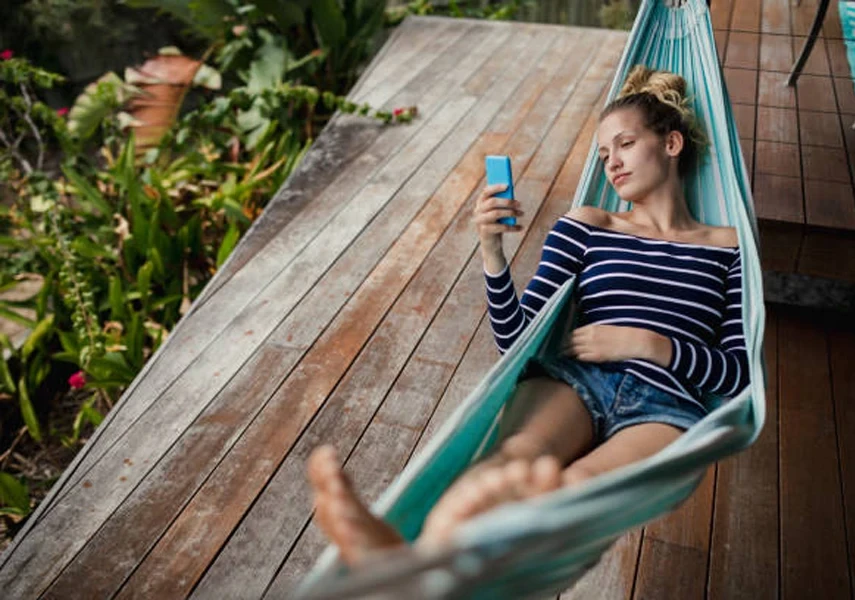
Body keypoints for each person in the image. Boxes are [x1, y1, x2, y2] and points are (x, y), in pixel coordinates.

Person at [306, 65, 749, 566]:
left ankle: (424, 567)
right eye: (604, 155)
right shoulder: (588, 224)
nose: (612, 164)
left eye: (624, 144)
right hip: (578, 380)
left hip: (666, 407)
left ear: (671, 144)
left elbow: (737, 374)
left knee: (575, 488)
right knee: (513, 462)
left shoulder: (729, 247)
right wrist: (492, 251)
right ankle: (409, 557)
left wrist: (647, 344)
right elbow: (516, 342)